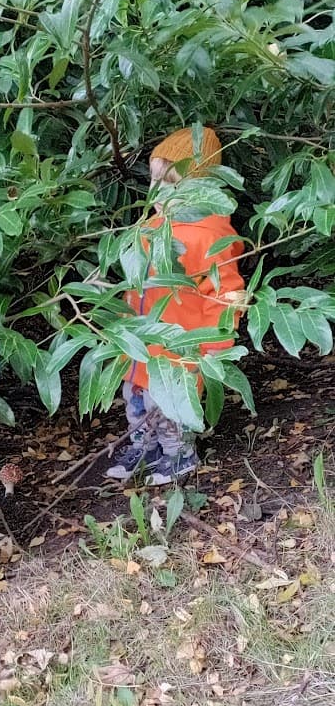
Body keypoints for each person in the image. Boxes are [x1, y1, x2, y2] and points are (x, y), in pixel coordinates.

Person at [106, 127, 244, 485]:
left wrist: (217, 345)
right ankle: (144, 445)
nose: (158, 192)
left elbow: (225, 292)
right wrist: (121, 322)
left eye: (171, 184)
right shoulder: (151, 226)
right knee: (136, 400)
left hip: (178, 346)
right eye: (154, 181)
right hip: (140, 345)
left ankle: (178, 454)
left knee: (172, 406)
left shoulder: (209, 236)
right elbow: (135, 285)